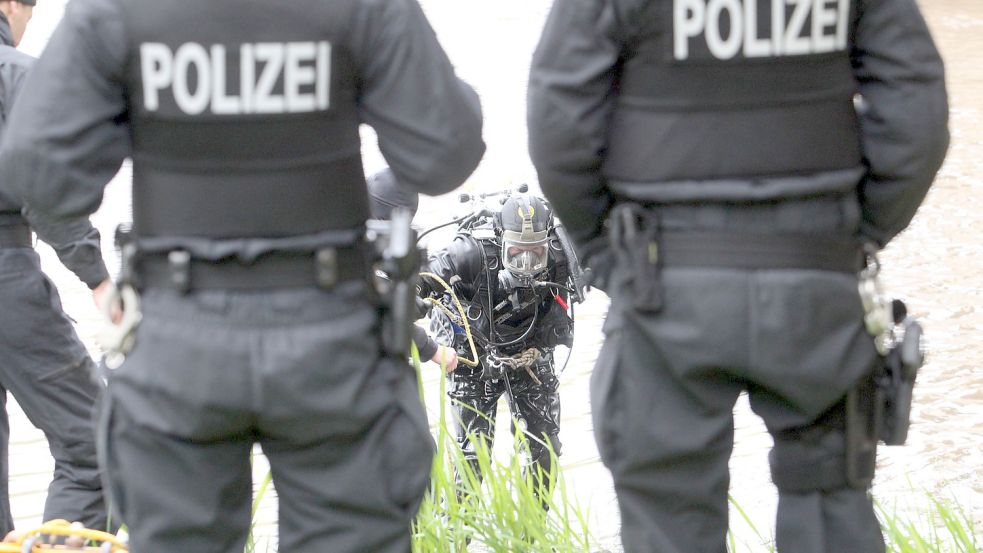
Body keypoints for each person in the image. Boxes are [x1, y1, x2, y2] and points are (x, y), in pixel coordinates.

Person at [0, 0, 485, 551]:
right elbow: (448, 150)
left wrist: (133, 115)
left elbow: (42, 174)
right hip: (334, 346)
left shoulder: (122, 12)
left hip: (179, 348)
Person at [528, 0, 949, 552]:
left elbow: (558, 125)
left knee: (669, 514)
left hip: (664, 290)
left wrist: (609, 257)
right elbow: (916, 117)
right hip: (813, 281)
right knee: (829, 506)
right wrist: (852, 237)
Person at [0, 0, 111, 536]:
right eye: (30, 7)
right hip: (4, 278)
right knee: (98, 442)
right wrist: (98, 277)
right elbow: (46, 189)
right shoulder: (19, 74)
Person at [417, 193, 582, 503]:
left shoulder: (563, 254)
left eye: (536, 254)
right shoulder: (470, 254)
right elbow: (424, 276)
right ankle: (456, 540)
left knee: (545, 451)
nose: (527, 266)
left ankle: (530, 540)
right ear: (500, 242)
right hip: (474, 353)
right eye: (517, 254)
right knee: (473, 461)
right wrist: (413, 297)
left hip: (530, 352)